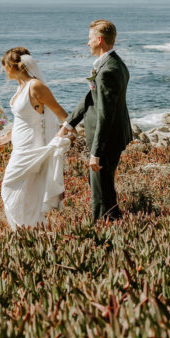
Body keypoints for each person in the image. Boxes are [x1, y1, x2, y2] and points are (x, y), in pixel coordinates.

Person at [59, 20, 132, 221]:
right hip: (111, 138)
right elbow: (91, 98)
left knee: (100, 195)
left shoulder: (108, 70)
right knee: (103, 189)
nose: (87, 43)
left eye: (90, 39)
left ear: (99, 40)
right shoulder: (112, 63)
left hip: (106, 141)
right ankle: (116, 226)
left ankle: (101, 231)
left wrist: (96, 153)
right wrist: (68, 123)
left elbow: (105, 115)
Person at [0, 47, 71, 230]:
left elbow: (62, 115)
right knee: (27, 193)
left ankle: (27, 230)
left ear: (14, 66)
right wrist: (5, 138)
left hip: (31, 146)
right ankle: (31, 232)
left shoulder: (35, 86)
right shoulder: (21, 86)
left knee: (9, 187)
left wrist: (62, 133)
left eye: (5, 66)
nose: (4, 70)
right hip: (19, 146)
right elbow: (22, 120)